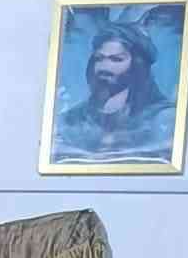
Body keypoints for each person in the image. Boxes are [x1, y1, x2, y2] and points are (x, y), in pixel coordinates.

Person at [53, 19, 178, 160]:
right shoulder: (71, 119)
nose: (104, 67)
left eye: (116, 59)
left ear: (138, 65)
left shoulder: (162, 118)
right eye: (99, 59)